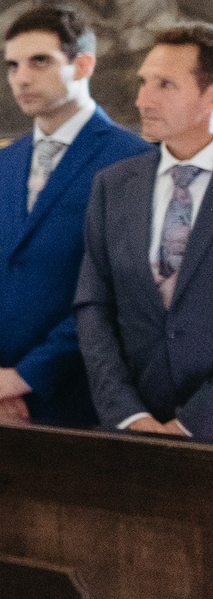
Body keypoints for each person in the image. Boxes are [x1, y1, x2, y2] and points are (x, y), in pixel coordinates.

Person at [0, 6, 149, 427]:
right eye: (12, 65)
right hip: (0, 404)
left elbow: (119, 292)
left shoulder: (132, 160)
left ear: (83, 65)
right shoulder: (1, 165)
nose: (21, 78)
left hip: (88, 399)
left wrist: (28, 375)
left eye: (39, 61)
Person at [77, 22, 213, 436]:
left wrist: (192, 423)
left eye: (165, 85)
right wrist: (128, 414)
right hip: (134, 430)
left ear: (210, 96)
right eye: (143, 82)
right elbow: (93, 306)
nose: (141, 100)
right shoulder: (113, 185)